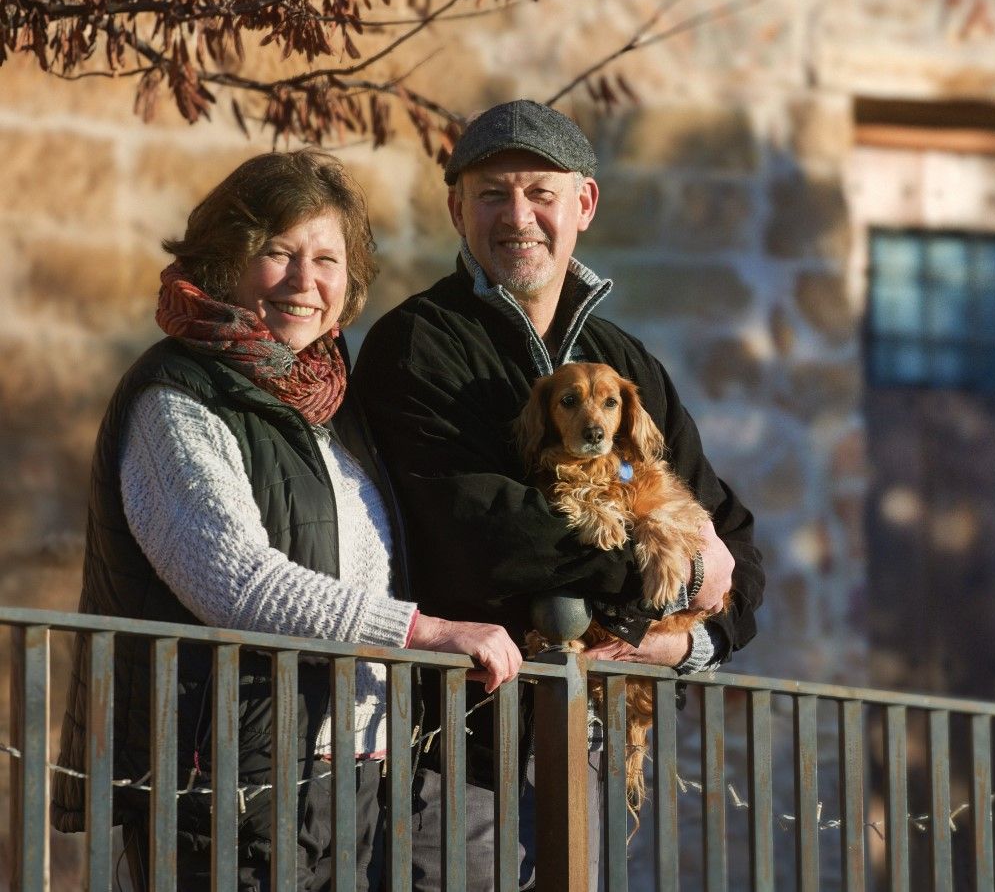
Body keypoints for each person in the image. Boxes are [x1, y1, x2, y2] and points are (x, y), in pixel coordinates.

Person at [50, 150, 522, 891]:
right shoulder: (176, 394)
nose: (306, 281)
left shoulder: (335, 404)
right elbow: (237, 582)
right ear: (226, 260)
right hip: (226, 787)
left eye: (327, 259)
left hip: (355, 778)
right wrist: (425, 632)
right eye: (279, 252)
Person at [351, 100, 766, 889]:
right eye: (492, 195)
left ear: (584, 203)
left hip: (595, 747)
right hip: (460, 751)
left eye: (541, 193)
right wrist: (673, 570)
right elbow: (490, 536)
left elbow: (736, 549)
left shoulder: (625, 364)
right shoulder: (418, 346)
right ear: (457, 210)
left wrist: (683, 644)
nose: (518, 217)